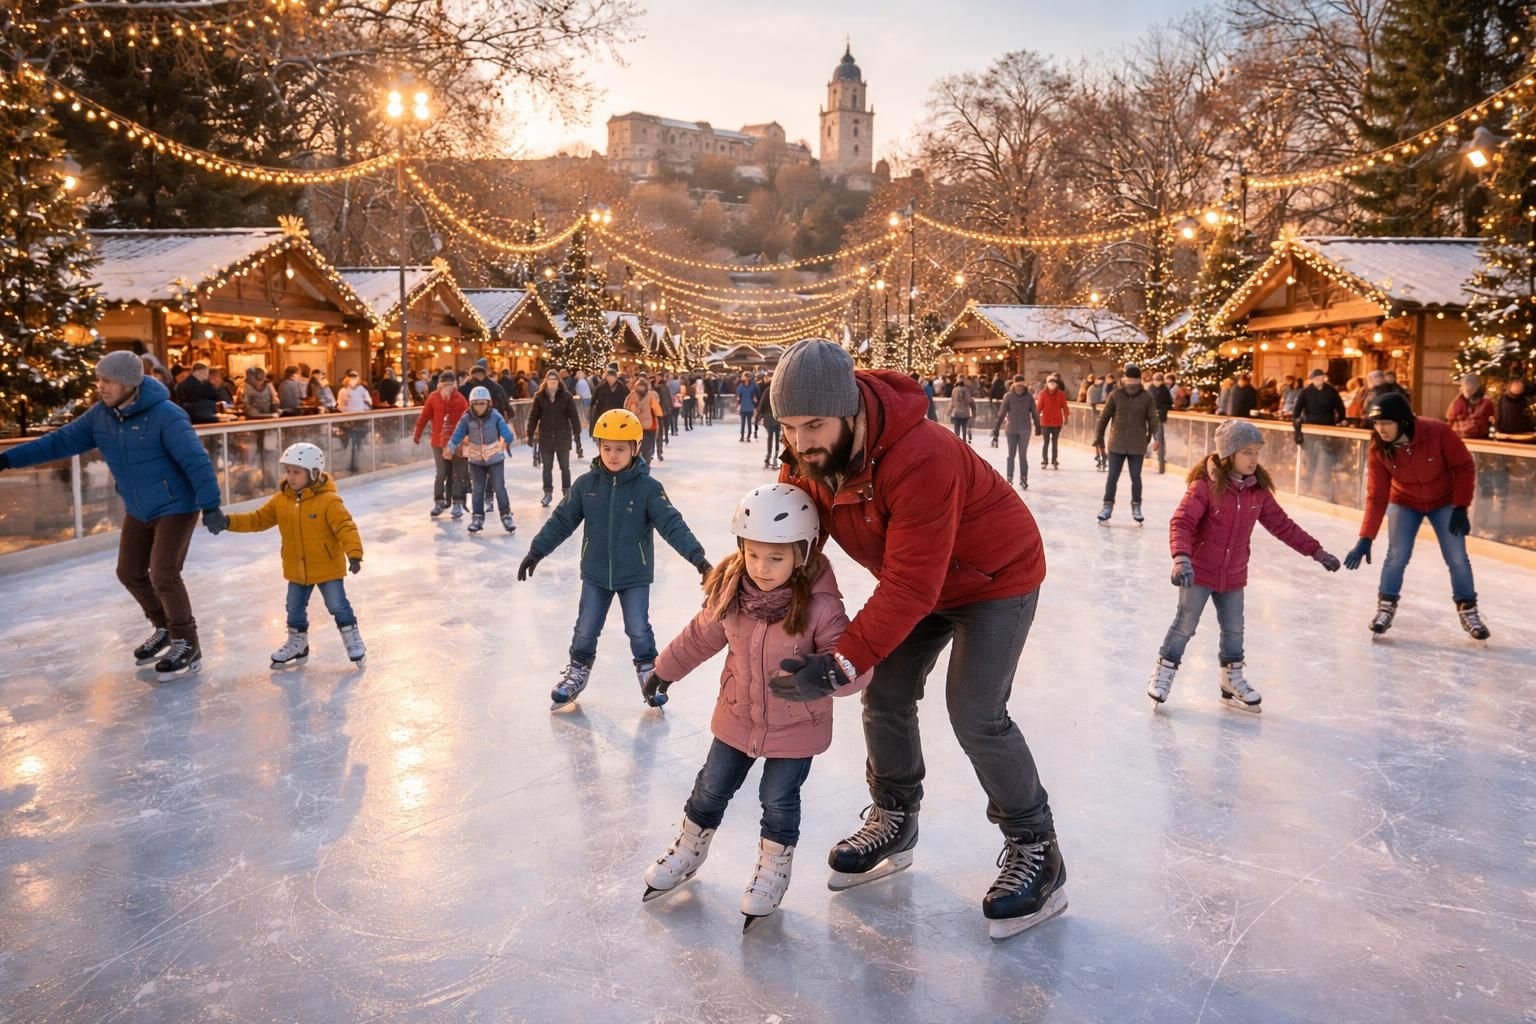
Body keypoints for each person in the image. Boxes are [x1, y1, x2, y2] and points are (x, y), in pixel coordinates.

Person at [770, 339, 1061, 942]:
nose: (801, 442)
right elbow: (797, 546)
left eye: (815, 425)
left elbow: (909, 585)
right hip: (921, 580)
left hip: (995, 579)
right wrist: (767, 616)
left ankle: (1038, 849)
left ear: (850, 411)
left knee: (977, 712)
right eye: (790, 427)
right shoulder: (808, 459)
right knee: (886, 693)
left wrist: (842, 658)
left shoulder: (920, 455)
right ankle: (895, 815)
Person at [639, 484, 871, 928]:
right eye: (754, 555)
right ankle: (689, 847)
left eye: (777, 558)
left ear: (801, 555)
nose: (762, 569)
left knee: (778, 800)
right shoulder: (731, 592)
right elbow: (699, 636)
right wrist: (664, 669)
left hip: (796, 727)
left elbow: (854, 660)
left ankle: (772, 869)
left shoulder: (821, 607)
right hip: (737, 717)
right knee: (710, 787)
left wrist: (827, 673)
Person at [0, 352, 224, 680]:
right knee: (129, 571)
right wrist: (7, 460)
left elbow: (195, 460)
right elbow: (58, 442)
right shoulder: (100, 416)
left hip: (176, 505)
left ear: (129, 383)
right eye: (99, 379)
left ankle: (186, 642)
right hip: (139, 506)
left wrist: (211, 504)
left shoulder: (167, 415)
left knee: (164, 573)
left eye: (108, 380)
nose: (100, 387)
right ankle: (163, 627)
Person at [516, 409, 712, 709]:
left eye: (620, 449)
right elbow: (561, 521)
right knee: (586, 626)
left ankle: (650, 673)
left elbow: (672, 525)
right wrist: (537, 551)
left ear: (635, 448)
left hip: (634, 573)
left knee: (638, 628)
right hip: (595, 573)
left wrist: (697, 558)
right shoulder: (586, 485)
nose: (612, 455)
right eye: (606, 448)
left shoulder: (648, 489)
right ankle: (577, 671)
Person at [1147, 420, 1341, 713]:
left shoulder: (1257, 492)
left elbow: (1282, 526)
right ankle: (1163, 674)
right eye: (1246, 452)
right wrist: (1181, 558)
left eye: (1256, 452)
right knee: (1185, 625)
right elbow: (1181, 522)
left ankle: (1231, 680)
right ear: (1229, 454)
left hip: (1234, 573)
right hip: (1198, 571)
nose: (1253, 459)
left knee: (1235, 630)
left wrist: (1316, 551)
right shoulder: (1205, 487)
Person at [1342, 393, 1487, 641]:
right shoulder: (1379, 448)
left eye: (1386, 423)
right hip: (1405, 501)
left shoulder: (1438, 432)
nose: (1380, 429)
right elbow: (1377, 496)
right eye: (1376, 423)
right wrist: (1366, 537)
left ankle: (1468, 609)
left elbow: (1464, 466)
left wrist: (1461, 506)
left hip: (1444, 501)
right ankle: (1385, 608)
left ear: (1403, 422)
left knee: (1457, 557)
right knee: (1396, 556)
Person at [210, 442, 366, 667]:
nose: (290, 477)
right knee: (293, 608)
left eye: (296, 472)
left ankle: (352, 639)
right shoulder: (281, 500)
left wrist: (354, 553)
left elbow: (345, 526)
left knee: (338, 605)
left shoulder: (328, 501)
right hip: (296, 568)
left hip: (327, 567)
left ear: (313, 473)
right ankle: (298, 643)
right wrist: (227, 522)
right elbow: (257, 519)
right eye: (288, 471)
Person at [1094, 364, 1160, 525]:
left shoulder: (1146, 397)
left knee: (1136, 477)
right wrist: (1098, 437)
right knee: (1112, 477)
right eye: (1129, 379)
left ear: (1138, 380)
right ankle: (1107, 506)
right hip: (1117, 443)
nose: (1131, 382)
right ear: (1125, 379)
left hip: (1137, 444)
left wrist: (1156, 438)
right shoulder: (1116, 395)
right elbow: (1104, 418)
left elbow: (1153, 419)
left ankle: (1136, 506)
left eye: (1134, 379)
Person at [446, 386, 517, 534]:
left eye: (482, 403)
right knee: (477, 490)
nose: (479, 407)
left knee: (499, 487)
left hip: (495, 459)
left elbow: (506, 432)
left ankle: (506, 515)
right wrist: (451, 448)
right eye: (476, 403)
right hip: (476, 460)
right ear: (471, 404)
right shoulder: (466, 418)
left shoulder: (496, 416)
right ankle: (477, 517)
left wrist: (507, 437)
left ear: (488, 403)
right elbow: (457, 434)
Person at [412, 372, 469, 519]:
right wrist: (417, 433)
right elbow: (424, 416)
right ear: (440, 385)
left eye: (451, 385)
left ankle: (457, 502)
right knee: (441, 473)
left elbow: (468, 420)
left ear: (454, 385)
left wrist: (469, 439)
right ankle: (439, 500)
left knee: (457, 474)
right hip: (438, 442)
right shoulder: (433, 397)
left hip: (457, 442)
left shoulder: (460, 399)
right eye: (445, 385)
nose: (448, 388)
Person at [526, 369, 585, 507]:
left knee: (565, 467)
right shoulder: (539, 397)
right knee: (547, 467)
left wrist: (577, 431)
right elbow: (533, 416)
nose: (552, 384)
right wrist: (530, 434)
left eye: (555, 381)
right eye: (550, 381)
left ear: (559, 382)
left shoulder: (566, 396)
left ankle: (567, 492)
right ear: (546, 382)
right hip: (545, 438)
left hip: (562, 436)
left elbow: (573, 415)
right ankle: (547, 493)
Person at [991, 375, 1040, 489]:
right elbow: (1003, 413)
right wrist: (996, 428)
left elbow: (1034, 412)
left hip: (1021, 429)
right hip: (1015, 429)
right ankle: (1011, 478)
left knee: (1018, 455)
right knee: (1014, 455)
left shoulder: (1028, 397)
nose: (1019, 387)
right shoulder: (1010, 396)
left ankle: (1020, 478)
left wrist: (1038, 426)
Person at [1292, 368, 1346, 441]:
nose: (1319, 380)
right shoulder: (1306, 392)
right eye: (1316, 379)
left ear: (1324, 378)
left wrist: (1342, 419)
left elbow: (1340, 406)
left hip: (1327, 424)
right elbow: (1298, 407)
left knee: (1326, 447)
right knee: (1312, 447)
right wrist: (1295, 419)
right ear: (1312, 379)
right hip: (1310, 424)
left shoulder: (1331, 391)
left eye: (1321, 378)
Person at [625, 375, 666, 464]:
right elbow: (657, 409)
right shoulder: (637, 395)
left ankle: (643, 460)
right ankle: (644, 460)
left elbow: (626, 408)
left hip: (644, 425)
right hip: (644, 425)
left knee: (642, 445)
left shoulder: (639, 395)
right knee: (645, 445)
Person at [1446, 374, 1494, 440]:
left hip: (1480, 438)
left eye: (1466, 387)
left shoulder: (1486, 402)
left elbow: (1490, 421)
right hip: (1459, 437)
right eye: (1463, 386)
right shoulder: (1458, 401)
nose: (1461, 389)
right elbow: (1450, 418)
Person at [1036, 374, 1069, 470]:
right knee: (1046, 442)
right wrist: (1036, 418)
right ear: (1047, 384)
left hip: (1057, 422)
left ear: (1057, 384)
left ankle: (1054, 459)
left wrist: (1066, 418)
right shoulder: (1042, 394)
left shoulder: (1061, 394)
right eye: (1050, 383)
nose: (1052, 385)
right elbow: (1038, 408)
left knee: (1055, 442)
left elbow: (1065, 407)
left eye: (1054, 383)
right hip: (1045, 422)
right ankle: (1045, 460)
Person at [589, 365, 629, 438]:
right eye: (608, 378)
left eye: (612, 378)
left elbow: (627, 400)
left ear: (616, 378)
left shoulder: (623, 388)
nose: (610, 380)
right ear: (606, 378)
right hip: (604, 415)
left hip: (618, 415)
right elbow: (593, 402)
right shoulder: (600, 388)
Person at [1150, 371, 1173, 473]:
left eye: (1159, 381)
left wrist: (1162, 410)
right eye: (1156, 381)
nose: (1157, 383)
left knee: (1159, 440)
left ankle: (1161, 466)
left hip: (1159, 418)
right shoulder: (1150, 389)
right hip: (1149, 418)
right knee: (1148, 440)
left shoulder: (1164, 390)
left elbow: (1169, 403)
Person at [757, 379, 781, 470]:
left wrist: (761, 415)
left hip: (768, 417)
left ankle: (768, 457)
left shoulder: (767, 391)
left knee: (770, 437)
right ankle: (775, 457)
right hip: (777, 417)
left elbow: (761, 404)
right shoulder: (778, 391)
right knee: (777, 438)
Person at [948, 375, 974, 441]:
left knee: (957, 427)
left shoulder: (954, 390)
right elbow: (969, 401)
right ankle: (964, 440)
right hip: (965, 412)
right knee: (964, 427)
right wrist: (973, 410)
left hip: (956, 412)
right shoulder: (966, 390)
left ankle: (957, 440)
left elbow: (952, 401)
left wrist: (949, 411)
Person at [736, 372, 757, 442]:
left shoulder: (752, 385)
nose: (743, 378)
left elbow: (756, 393)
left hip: (750, 406)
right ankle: (742, 436)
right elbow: (738, 396)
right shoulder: (740, 386)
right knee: (743, 423)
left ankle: (748, 436)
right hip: (743, 406)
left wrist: (754, 402)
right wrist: (738, 404)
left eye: (745, 376)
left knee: (749, 422)